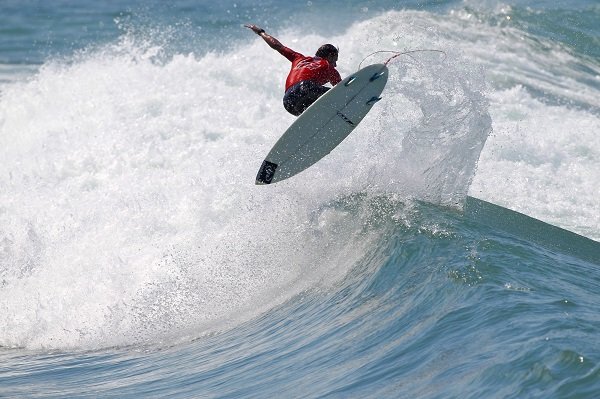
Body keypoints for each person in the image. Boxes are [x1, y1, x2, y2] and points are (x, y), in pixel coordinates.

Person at [245, 24, 342, 116]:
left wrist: (261, 32)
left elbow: (277, 46)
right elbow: (343, 90)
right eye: (335, 61)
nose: (335, 65)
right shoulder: (327, 65)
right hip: (306, 88)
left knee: (316, 110)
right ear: (330, 56)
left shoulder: (298, 58)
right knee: (337, 96)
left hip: (288, 101)